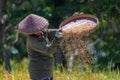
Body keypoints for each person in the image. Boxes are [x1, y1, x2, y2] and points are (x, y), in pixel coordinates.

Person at [18, 14, 63, 80]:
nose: (40, 30)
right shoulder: (33, 41)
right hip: (39, 73)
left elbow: (49, 32)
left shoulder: (41, 33)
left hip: (47, 71)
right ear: (31, 32)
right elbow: (49, 51)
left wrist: (62, 30)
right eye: (37, 30)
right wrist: (57, 39)